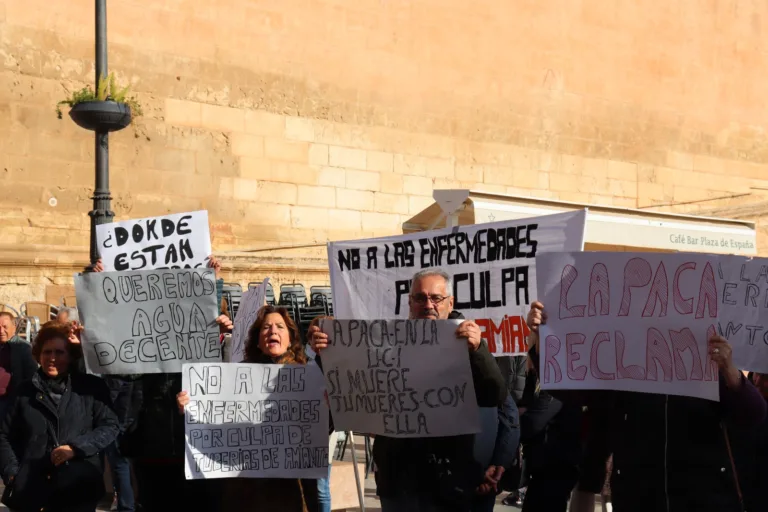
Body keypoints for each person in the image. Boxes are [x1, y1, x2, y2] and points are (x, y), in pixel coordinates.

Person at [526, 301, 767, 512]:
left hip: (705, 499)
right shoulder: (625, 369)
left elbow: (754, 414)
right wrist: (543, 340)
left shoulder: (708, 370)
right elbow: (573, 391)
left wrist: (730, 372)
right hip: (637, 499)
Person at [309, 268, 507, 512]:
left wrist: (478, 352)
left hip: (450, 480)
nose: (428, 304)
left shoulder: (469, 344)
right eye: (420, 298)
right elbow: (353, 386)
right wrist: (327, 352)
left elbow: (494, 394)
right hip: (398, 480)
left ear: (450, 302)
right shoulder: (385, 342)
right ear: (410, 302)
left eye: (436, 298)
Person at [102, 255, 228, 512]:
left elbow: (203, 325)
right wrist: (102, 282)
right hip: (152, 449)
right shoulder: (142, 346)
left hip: (194, 449)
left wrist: (211, 283)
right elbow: (120, 366)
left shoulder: (201, 344)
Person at [177, 306, 323, 511]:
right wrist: (190, 410)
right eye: (266, 327)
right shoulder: (232, 378)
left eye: (280, 327)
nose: (273, 331)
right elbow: (214, 424)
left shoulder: (307, 378)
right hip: (241, 493)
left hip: (287, 493)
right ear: (257, 339)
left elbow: (325, 428)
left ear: (290, 338)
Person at [0, 322, 119, 512]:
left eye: (59, 352)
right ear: (38, 355)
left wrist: (76, 448)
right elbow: (4, 435)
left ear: (71, 356)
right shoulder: (24, 391)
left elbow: (110, 426)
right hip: (32, 489)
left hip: (79, 485)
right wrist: (12, 473)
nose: (52, 358)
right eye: (47, 352)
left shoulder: (91, 388)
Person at [471, 395, 520, 512]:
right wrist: (500, 463)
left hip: (481, 477)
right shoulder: (493, 382)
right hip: (485, 474)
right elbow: (511, 418)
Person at [0, 311, 38, 420]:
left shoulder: (23, 348)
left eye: (5, 327)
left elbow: (32, 376)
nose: (1, 331)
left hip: (9, 400)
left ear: (14, 327)